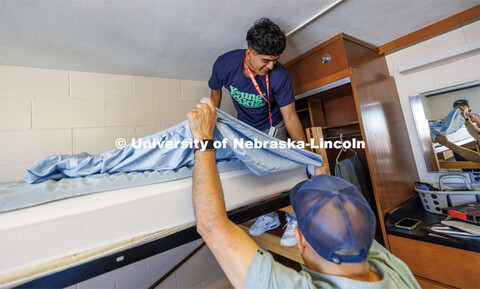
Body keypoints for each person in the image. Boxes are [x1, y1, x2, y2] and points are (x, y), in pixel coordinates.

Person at [187, 98, 420, 289]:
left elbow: (211, 224)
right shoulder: (393, 268)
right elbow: (211, 225)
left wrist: (203, 138)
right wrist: (314, 166)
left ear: (300, 239)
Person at [208, 18, 306, 245]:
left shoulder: (280, 75)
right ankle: (268, 216)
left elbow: (290, 116)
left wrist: (304, 152)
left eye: (275, 61)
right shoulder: (225, 64)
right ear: (249, 52)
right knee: (253, 171)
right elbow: (215, 93)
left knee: (281, 170)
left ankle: (293, 219)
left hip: (274, 126)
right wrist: (211, 124)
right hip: (246, 127)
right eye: (266, 60)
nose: (271, 66)